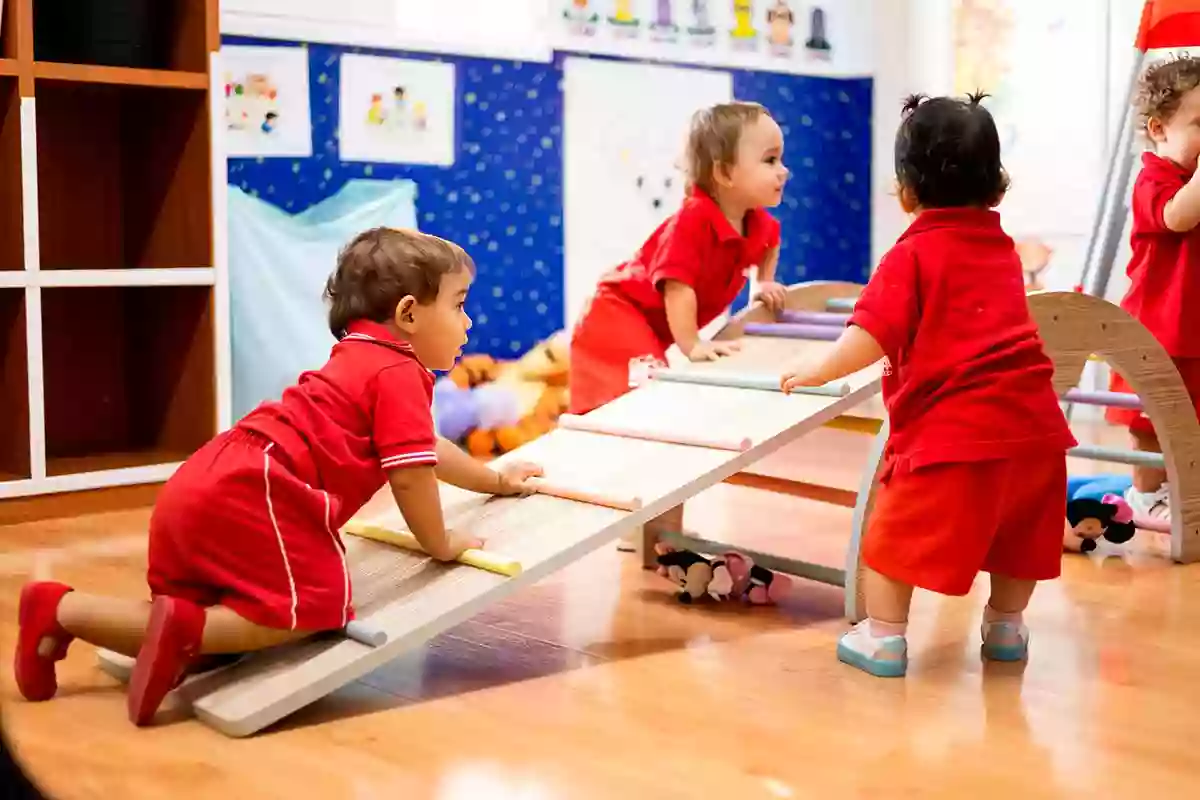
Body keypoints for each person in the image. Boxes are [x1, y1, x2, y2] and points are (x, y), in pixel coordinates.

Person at [14, 228, 543, 724]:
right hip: (260, 488)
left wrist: (493, 480)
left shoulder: (357, 356)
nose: (468, 322)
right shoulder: (400, 373)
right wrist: (440, 541)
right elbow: (410, 476)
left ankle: (63, 609)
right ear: (408, 314)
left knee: (203, 613)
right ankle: (187, 633)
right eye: (459, 305)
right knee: (312, 610)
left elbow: (424, 447)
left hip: (206, 477)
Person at [779, 93, 1077, 678]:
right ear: (997, 187)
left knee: (891, 535)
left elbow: (873, 332)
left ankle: (884, 638)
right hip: (1036, 429)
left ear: (906, 192)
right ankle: (1007, 628)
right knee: (1019, 537)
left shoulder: (911, 254)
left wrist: (820, 368)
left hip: (954, 434)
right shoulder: (1001, 251)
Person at [568, 100, 791, 418]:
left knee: (645, 396)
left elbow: (771, 244)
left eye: (781, 159)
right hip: (617, 312)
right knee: (639, 396)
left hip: (651, 325)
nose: (783, 171)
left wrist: (763, 282)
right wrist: (692, 345)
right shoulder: (694, 219)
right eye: (770, 160)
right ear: (725, 172)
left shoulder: (759, 223)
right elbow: (677, 286)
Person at [1106, 55, 1200, 523]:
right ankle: (1145, 495)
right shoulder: (1155, 178)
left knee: (1192, 420)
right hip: (1157, 328)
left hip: (1194, 328)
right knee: (1149, 422)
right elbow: (1178, 216)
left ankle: (1187, 494)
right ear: (1159, 129)